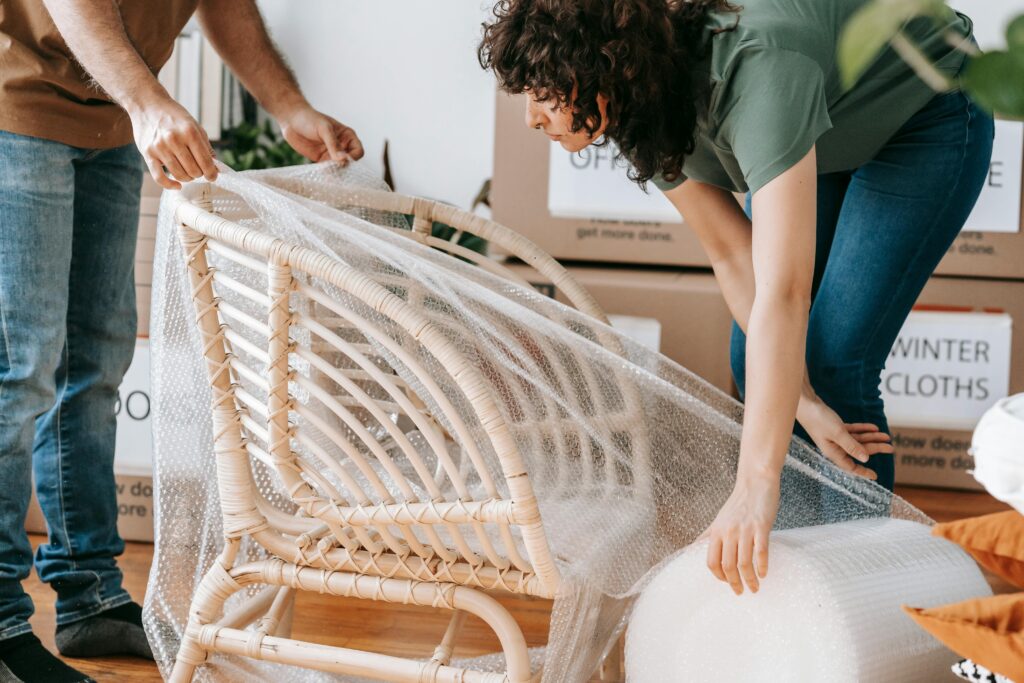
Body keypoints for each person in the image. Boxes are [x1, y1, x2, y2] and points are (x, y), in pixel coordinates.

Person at [479, 0, 992, 595]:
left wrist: (755, 482)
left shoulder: (756, 69)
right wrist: (799, 402)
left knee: (834, 361)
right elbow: (729, 249)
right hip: (829, 110)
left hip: (925, 113)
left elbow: (784, 291)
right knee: (764, 363)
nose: (530, 118)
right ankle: (795, 592)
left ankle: (859, 601)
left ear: (603, 68)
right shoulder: (637, 98)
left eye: (543, 94)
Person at [0, 1, 363, 680]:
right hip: (15, 100)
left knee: (96, 358)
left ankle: (89, 593)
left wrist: (287, 106)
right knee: (18, 366)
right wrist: (148, 102)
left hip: (110, 118)